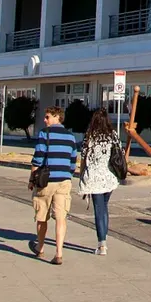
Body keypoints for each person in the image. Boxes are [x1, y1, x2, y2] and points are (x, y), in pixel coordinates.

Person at [28, 106, 77, 265]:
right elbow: (72, 162)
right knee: (61, 217)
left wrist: (31, 179)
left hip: (46, 181)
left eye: (47, 116)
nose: (45, 119)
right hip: (64, 181)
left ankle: (40, 248)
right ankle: (59, 253)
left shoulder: (44, 134)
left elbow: (38, 159)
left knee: (42, 216)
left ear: (57, 117)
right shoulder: (71, 137)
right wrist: (67, 174)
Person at [75, 108, 121, 256]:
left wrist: (81, 176)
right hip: (110, 177)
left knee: (99, 210)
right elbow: (119, 153)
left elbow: (83, 157)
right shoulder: (113, 135)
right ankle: (104, 239)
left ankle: (102, 244)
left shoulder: (89, 136)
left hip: (94, 177)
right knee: (104, 208)